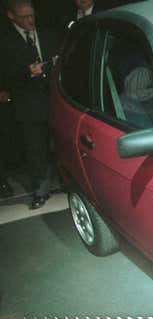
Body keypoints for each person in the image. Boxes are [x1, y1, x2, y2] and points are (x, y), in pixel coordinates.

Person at [1, 0, 60, 209]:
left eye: (32, 16)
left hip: (55, 100)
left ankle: (68, 182)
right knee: (36, 149)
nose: (30, 21)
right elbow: (5, 75)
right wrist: (27, 72)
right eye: (24, 17)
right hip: (27, 104)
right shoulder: (5, 41)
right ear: (11, 16)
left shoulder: (49, 33)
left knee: (61, 144)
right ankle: (41, 190)